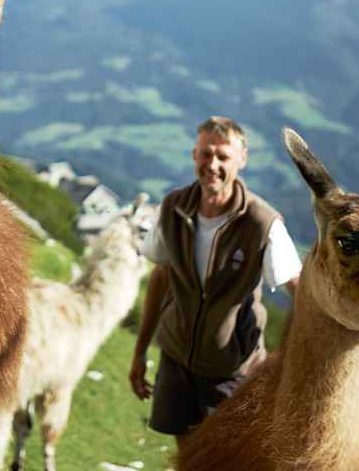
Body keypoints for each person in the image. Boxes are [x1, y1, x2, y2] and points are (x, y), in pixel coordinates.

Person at [128, 117, 301, 447]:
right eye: (206, 154)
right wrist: (139, 352)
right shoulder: (172, 208)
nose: (213, 165)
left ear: (242, 160)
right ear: (194, 155)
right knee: (186, 454)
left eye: (223, 156)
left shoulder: (262, 224)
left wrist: (291, 372)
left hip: (232, 373)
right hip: (177, 360)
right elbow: (160, 278)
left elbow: (301, 294)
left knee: (228, 460)